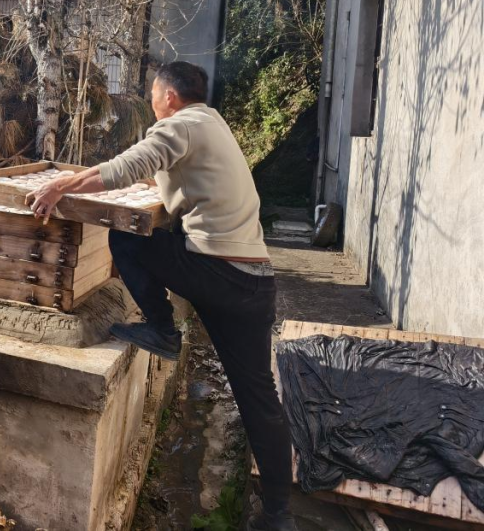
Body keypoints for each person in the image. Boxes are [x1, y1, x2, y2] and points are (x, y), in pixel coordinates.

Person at [26, 62, 297, 531]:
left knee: (126, 239)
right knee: (259, 398)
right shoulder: (212, 123)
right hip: (255, 279)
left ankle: (162, 328)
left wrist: (58, 185)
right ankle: (278, 514)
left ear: (168, 96)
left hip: (218, 273)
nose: (152, 101)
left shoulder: (179, 125)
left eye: (153, 93)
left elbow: (124, 167)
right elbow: (178, 184)